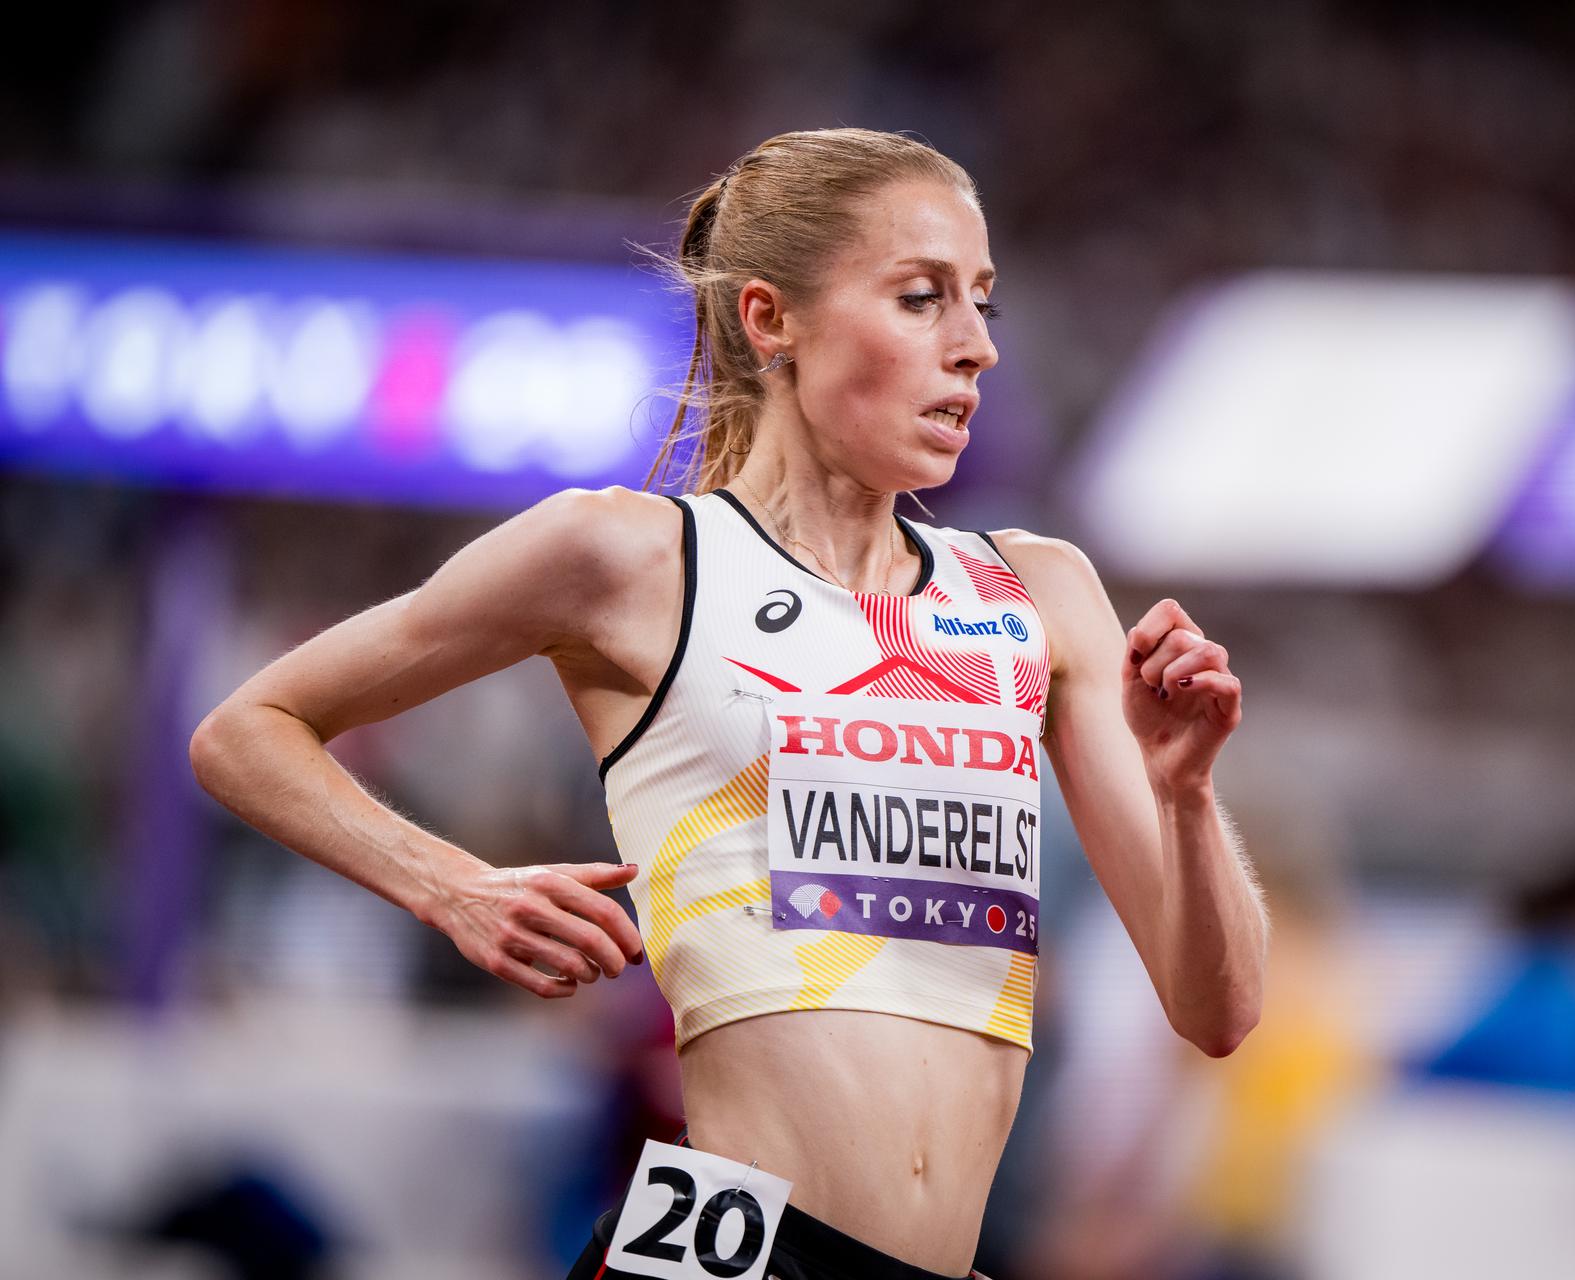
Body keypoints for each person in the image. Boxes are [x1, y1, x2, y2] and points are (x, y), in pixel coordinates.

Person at [189, 127, 1268, 1280]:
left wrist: (1186, 793)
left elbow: (1219, 1010)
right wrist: (449, 884)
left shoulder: (1036, 594)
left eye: (983, 304)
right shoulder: (627, 558)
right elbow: (245, 730)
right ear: (772, 320)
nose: (975, 347)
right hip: (730, 1258)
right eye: (920, 298)